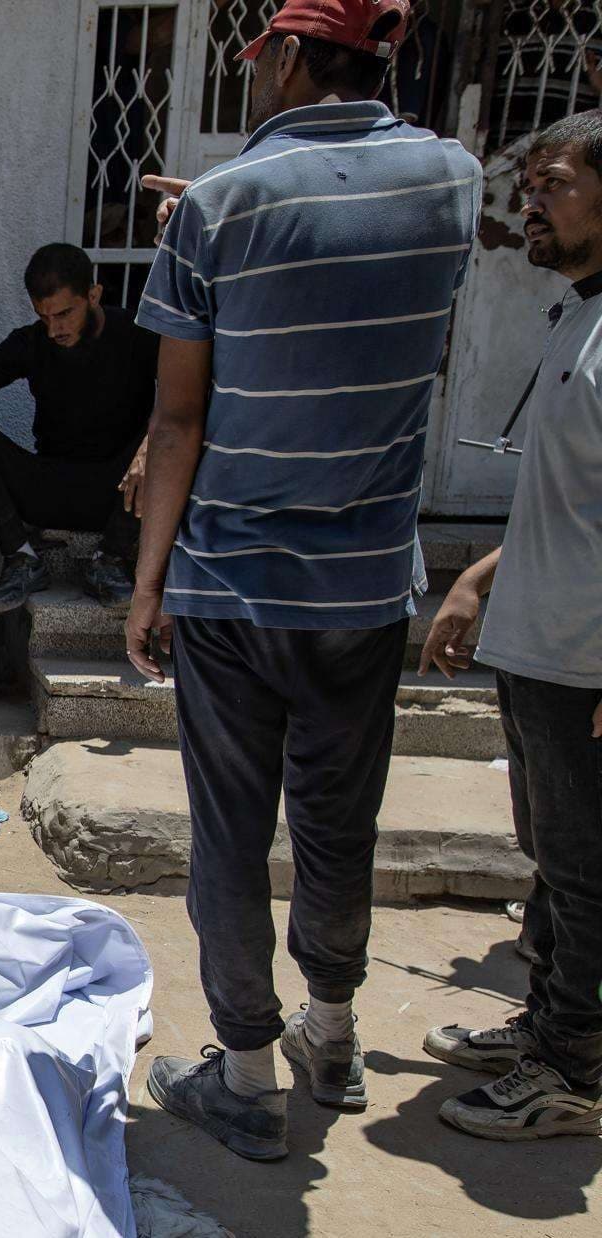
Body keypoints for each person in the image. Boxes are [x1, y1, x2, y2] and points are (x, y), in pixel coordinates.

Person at [127, 0, 481, 1160]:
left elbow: (179, 422)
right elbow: (362, 293)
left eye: (256, 67)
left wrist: (147, 588)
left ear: (285, 56)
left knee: (232, 834)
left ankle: (242, 1073)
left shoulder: (220, 207)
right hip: (367, 586)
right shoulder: (453, 182)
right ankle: (332, 1035)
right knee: (339, 822)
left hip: (235, 583)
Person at [417, 111, 602, 1142]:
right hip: (543, 643)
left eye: (558, 185)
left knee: (587, 866)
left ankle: (572, 1068)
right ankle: (550, 1026)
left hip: (587, 658)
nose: (532, 204)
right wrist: (479, 579)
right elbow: (570, 496)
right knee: (555, 854)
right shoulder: (577, 314)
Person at [0, 242, 157, 611]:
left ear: (94, 294)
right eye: (43, 317)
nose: (54, 329)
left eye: (64, 314)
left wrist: (150, 450)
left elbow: (184, 401)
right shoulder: (31, 342)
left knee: (171, 438)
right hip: (48, 488)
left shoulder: (136, 335)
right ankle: (22, 555)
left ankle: (111, 560)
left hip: (121, 491)